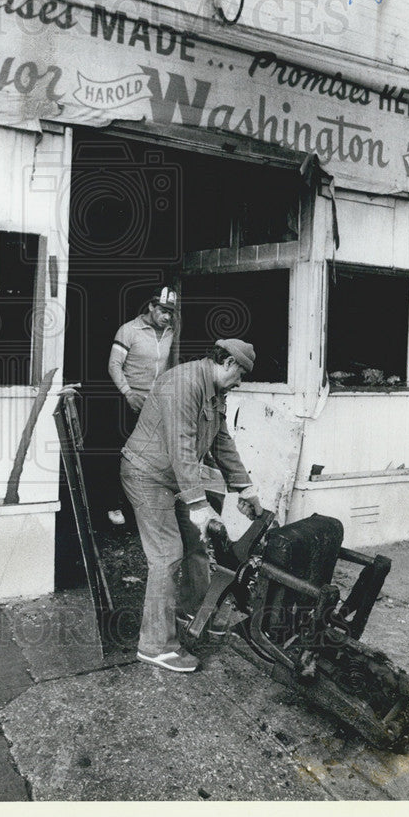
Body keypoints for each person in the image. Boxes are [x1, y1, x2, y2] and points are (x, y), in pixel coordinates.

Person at [120, 338, 263, 672]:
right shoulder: (184, 383)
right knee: (167, 555)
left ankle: (194, 611)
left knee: (197, 544)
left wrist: (245, 487)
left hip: (173, 477)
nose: (240, 381)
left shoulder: (215, 391)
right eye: (240, 372)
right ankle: (155, 645)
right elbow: (181, 448)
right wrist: (198, 505)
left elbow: (222, 441)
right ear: (227, 362)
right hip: (146, 474)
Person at [106, 286, 177, 525]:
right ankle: (113, 505)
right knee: (123, 451)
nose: (167, 316)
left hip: (154, 403)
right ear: (151, 306)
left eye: (171, 312)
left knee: (151, 454)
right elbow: (114, 365)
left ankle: (144, 508)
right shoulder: (129, 330)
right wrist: (128, 394)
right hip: (128, 399)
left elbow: (169, 366)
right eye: (163, 310)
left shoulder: (170, 332)